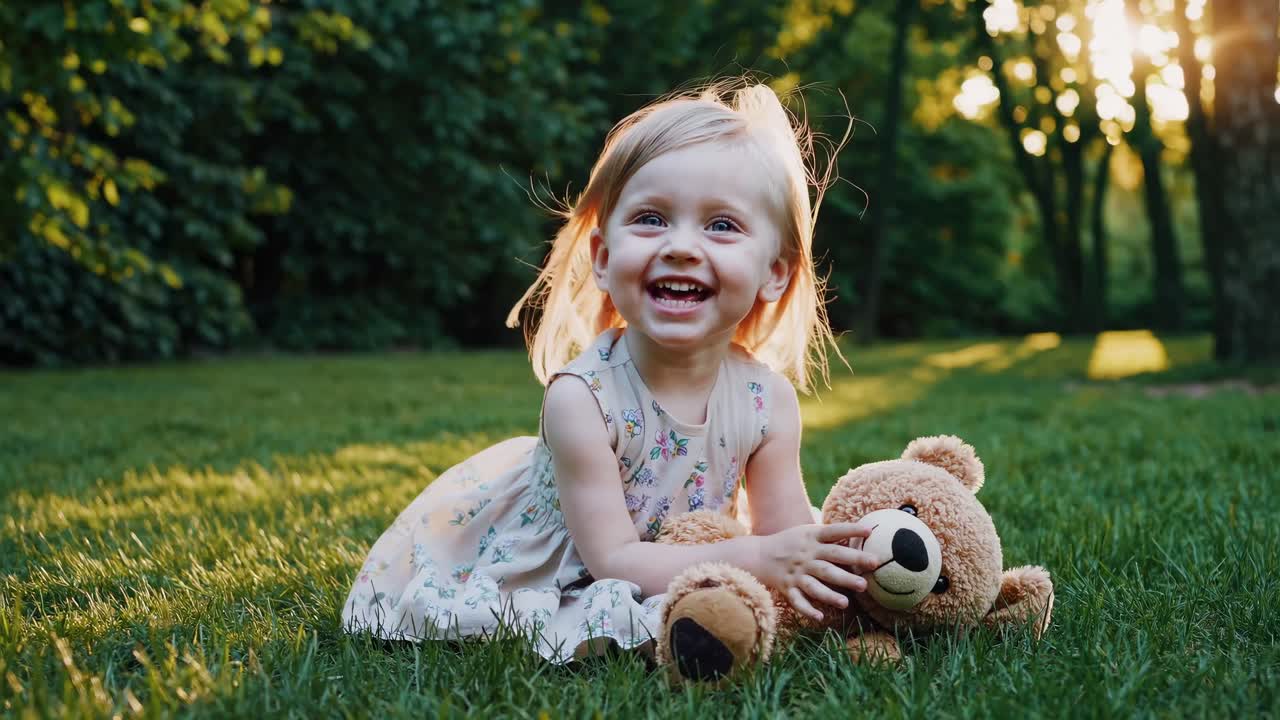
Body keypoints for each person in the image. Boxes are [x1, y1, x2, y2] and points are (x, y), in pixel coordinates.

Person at [342, 79, 878, 664]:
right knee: (619, 610)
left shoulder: (765, 400)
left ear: (774, 273)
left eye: (721, 225)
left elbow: (786, 532)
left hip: (680, 557)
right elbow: (615, 561)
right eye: (651, 218)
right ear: (602, 258)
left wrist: (835, 574)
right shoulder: (582, 399)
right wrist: (759, 559)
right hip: (569, 567)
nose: (680, 246)